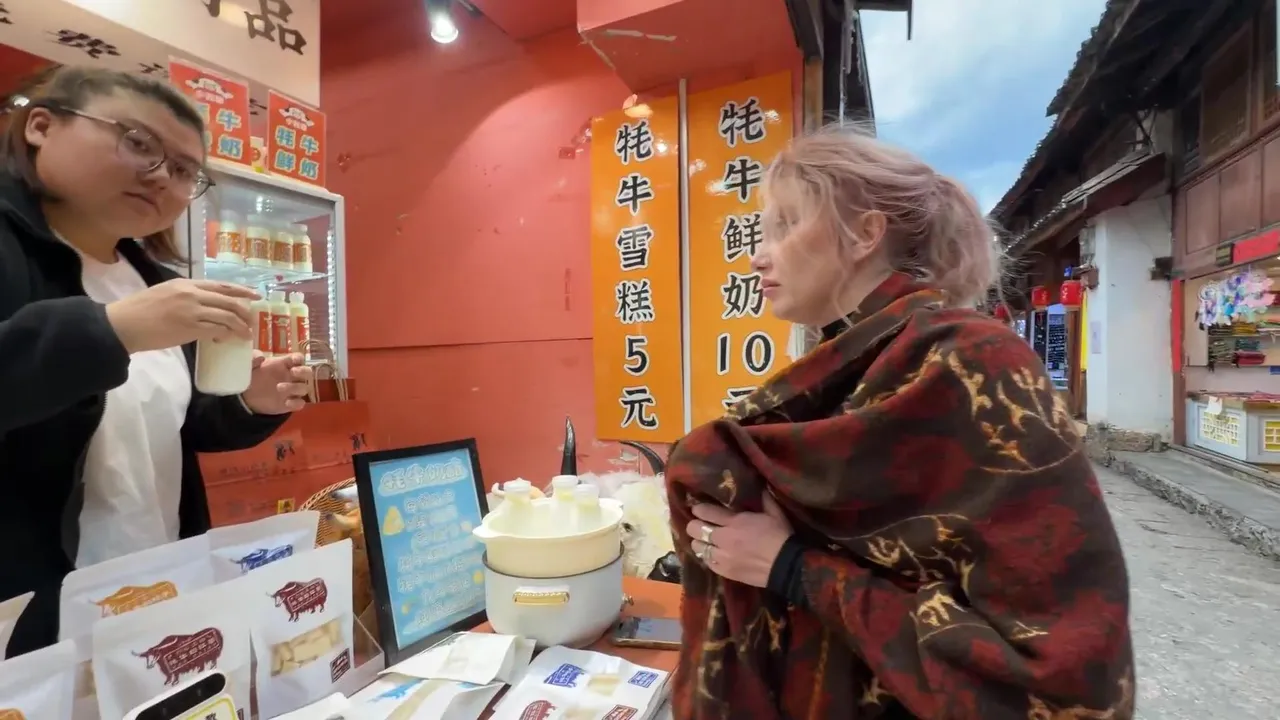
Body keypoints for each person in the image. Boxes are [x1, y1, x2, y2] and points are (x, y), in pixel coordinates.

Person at [664, 126, 1134, 719]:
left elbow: (1063, 677)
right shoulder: (846, 368)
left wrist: (794, 568)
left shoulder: (973, 363)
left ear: (865, 234)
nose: (759, 255)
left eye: (785, 225)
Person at [0, 66, 313, 657]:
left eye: (186, 171)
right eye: (138, 143)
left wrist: (250, 403)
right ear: (41, 126)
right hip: (30, 621)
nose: (162, 176)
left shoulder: (153, 281)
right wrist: (110, 332)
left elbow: (170, 432)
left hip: (151, 586)